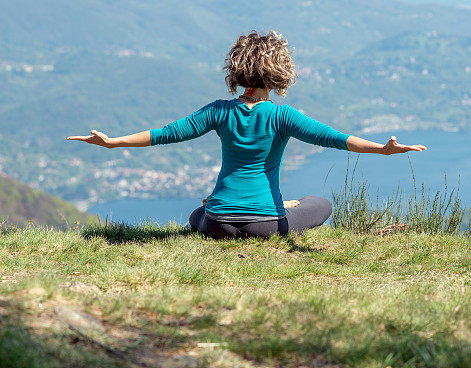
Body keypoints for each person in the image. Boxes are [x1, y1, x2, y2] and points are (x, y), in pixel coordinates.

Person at [67, 30, 426, 239]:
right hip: (266, 225)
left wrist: (113, 142)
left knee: (200, 212)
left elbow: (165, 134)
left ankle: (219, 207)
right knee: (320, 204)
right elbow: (335, 138)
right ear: (280, 73)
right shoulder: (283, 116)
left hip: (217, 224)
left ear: (236, 72)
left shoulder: (218, 111)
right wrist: (382, 150)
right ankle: (277, 205)